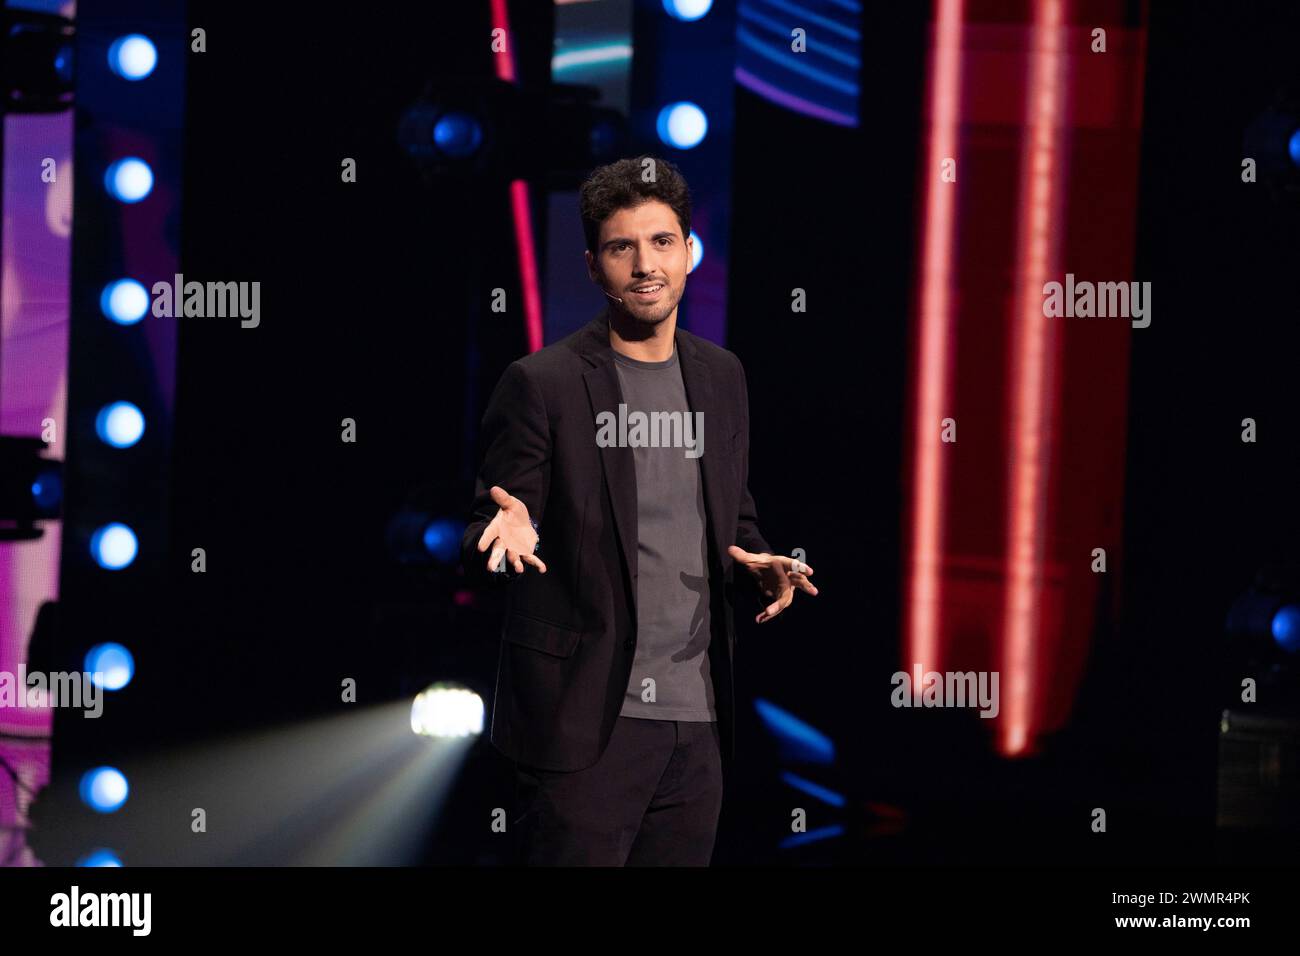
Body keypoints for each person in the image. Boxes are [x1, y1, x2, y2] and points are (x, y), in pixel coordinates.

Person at [461, 155, 818, 865]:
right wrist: (501, 531)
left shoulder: (722, 376)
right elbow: (494, 518)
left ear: (688, 252)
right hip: (586, 720)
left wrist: (759, 561)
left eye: (661, 242)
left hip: (698, 720)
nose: (645, 264)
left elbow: (731, 518)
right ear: (595, 267)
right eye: (621, 247)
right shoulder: (544, 383)